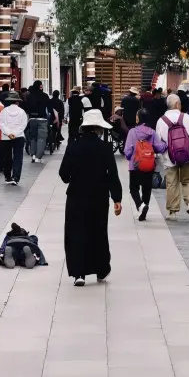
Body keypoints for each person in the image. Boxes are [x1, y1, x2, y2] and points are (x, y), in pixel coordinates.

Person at [59, 108, 122, 286]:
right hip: (99, 196)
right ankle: (101, 269)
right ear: (98, 128)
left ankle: (79, 273)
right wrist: (117, 198)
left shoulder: (73, 146)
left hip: (76, 196)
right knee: (98, 232)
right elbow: (112, 175)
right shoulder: (105, 148)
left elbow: (64, 175)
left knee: (76, 233)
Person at [156, 94, 189, 220]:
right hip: (187, 155)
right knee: (188, 180)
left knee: (172, 183)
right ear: (177, 104)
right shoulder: (185, 117)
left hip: (170, 157)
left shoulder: (161, 120)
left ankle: (172, 212)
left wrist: (161, 155)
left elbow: (159, 141)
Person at [123, 108, 167, 221]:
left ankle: (140, 205)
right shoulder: (152, 132)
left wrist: (130, 158)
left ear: (138, 118)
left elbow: (127, 150)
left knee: (133, 188)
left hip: (135, 165)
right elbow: (159, 147)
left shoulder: (132, 132)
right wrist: (165, 144)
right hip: (149, 165)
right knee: (146, 189)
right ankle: (144, 210)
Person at [0, 91, 28, 186]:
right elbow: (23, 124)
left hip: (6, 137)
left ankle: (7, 176)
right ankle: (15, 177)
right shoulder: (22, 112)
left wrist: (8, 133)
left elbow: (1, 123)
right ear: (17, 101)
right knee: (18, 157)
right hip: (19, 136)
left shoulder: (4, 111)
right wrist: (15, 133)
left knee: (7, 157)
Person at [25, 80, 51, 164]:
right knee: (41, 138)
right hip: (42, 119)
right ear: (40, 86)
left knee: (33, 138)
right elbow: (49, 108)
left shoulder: (29, 96)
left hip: (32, 119)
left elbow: (27, 108)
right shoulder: (45, 96)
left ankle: (33, 154)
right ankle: (38, 157)